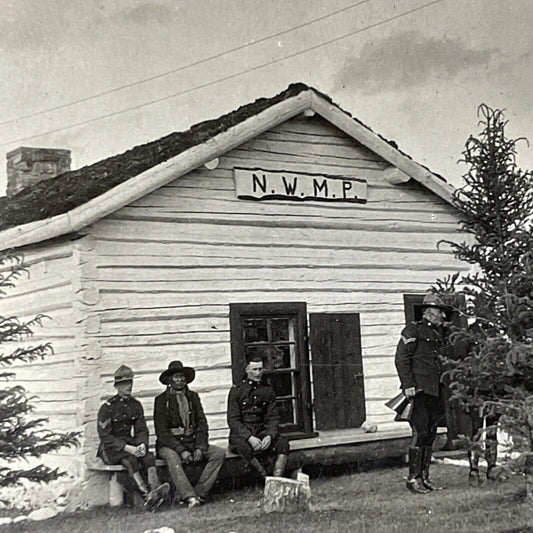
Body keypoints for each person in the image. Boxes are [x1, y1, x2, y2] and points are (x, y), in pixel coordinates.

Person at [395, 293, 449, 494]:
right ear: (428, 311)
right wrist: (408, 384)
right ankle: (413, 479)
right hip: (418, 389)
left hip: (434, 389)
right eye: (438, 310)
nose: (441, 315)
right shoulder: (413, 329)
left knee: (431, 432)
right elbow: (401, 358)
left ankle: (425, 477)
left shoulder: (436, 333)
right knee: (420, 432)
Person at [154, 361, 225, 509]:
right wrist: (182, 450)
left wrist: (199, 447)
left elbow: (202, 423)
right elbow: (162, 432)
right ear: (169, 380)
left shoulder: (193, 397)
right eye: (176, 377)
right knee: (172, 457)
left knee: (218, 453)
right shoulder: (161, 401)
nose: (180, 380)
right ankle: (189, 496)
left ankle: (199, 493)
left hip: (192, 441)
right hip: (170, 444)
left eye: (182, 376)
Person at [97, 365, 170, 509]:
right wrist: (128, 448)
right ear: (117, 386)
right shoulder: (107, 407)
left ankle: (155, 489)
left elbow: (141, 429)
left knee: (148, 457)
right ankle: (147, 494)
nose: (128, 387)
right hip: (110, 449)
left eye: (130, 383)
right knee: (130, 461)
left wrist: (142, 444)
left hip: (130, 444)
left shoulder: (135, 405)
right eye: (124, 384)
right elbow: (105, 436)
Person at [227, 356, 289, 479]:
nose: (258, 373)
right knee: (243, 447)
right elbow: (233, 420)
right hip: (242, 435)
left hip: (261, 431)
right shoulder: (236, 391)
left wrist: (269, 435)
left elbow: (273, 417)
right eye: (254, 369)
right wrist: (249, 437)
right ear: (247, 370)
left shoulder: (267, 390)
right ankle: (264, 477)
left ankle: (277, 480)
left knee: (283, 443)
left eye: (260, 369)